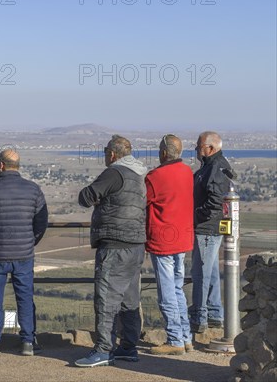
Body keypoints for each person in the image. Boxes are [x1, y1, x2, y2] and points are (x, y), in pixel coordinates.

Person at [74, 135, 147, 368]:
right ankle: (128, 347)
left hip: (115, 244)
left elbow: (86, 197)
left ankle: (104, 348)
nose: (105, 155)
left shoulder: (114, 173)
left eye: (106, 151)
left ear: (112, 154)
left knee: (106, 297)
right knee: (129, 298)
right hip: (135, 245)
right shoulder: (138, 175)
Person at [0, 149, 48, 356]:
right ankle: (28, 342)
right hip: (24, 255)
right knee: (25, 297)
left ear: (1, 165)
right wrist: (30, 242)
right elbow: (41, 223)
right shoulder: (33, 190)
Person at [145, 134, 194, 355]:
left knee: (166, 292)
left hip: (163, 240)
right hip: (183, 238)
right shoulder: (187, 172)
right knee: (177, 289)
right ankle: (186, 337)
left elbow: (142, 201)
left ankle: (175, 340)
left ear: (164, 152)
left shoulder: (155, 177)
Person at [189, 131, 236, 333]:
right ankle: (215, 313)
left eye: (199, 146)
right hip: (208, 227)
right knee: (211, 271)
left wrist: (196, 216)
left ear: (210, 148)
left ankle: (200, 316)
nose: (196, 150)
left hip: (207, 228)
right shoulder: (211, 166)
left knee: (201, 272)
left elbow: (216, 201)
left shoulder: (216, 168)